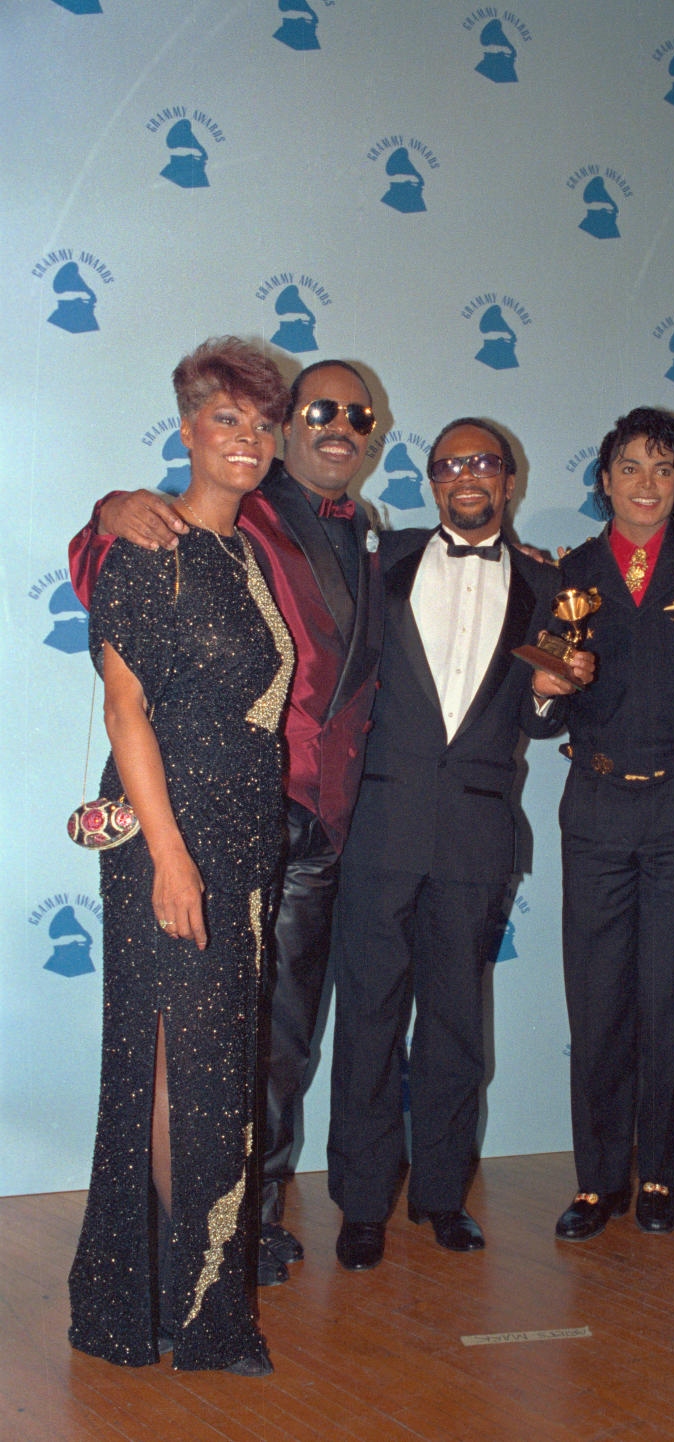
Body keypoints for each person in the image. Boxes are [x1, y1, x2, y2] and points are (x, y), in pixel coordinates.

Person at [68, 358, 384, 1287]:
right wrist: (110, 504)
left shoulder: (372, 535)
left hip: (309, 822)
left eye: (356, 416)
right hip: (202, 816)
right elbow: (113, 586)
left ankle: (255, 1218)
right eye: (319, 409)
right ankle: (208, 1253)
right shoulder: (216, 515)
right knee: (193, 1056)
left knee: (273, 1046)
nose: (339, 426)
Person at [68, 338, 293, 1375]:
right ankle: (191, 1306)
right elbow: (126, 708)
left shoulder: (248, 552)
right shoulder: (146, 545)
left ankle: (156, 1294)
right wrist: (168, 854)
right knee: (179, 1073)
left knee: (199, 1077)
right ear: (188, 427)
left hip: (243, 841)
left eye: (262, 422)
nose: (248, 440)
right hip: (175, 837)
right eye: (228, 420)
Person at [327, 418, 594, 1270]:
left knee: (455, 1027)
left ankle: (442, 1196)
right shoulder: (384, 559)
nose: (465, 476)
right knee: (368, 1022)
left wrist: (552, 696)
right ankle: (362, 1203)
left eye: (481, 463)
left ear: (508, 480)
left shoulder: (551, 585)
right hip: (379, 825)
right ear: (434, 481)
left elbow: (538, 713)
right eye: (448, 465)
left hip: (477, 834)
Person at [546, 408, 674, 1244]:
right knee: (597, 1001)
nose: (647, 485)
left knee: (673, 992)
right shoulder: (569, 572)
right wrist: (555, 685)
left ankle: (659, 1169)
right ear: (603, 480)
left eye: (664, 469)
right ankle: (597, 1181)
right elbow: (538, 711)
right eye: (631, 468)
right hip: (594, 804)